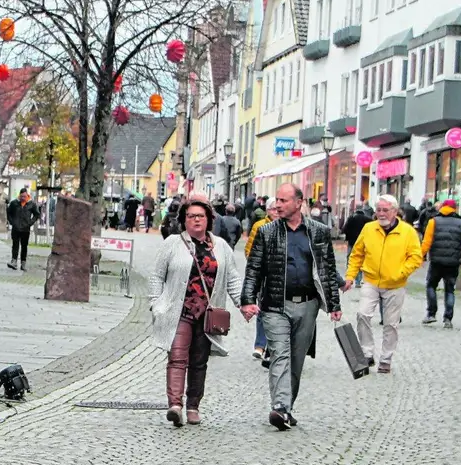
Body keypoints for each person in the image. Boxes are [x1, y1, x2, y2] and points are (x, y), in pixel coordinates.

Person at [239, 184, 345, 431]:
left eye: (284, 200)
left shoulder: (318, 232)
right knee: (280, 355)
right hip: (275, 305)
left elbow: (327, 269)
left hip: (307, 305)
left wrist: (333, 304)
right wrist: (247, 300)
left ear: (299, 203)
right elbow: (253, 268)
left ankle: (286, 407)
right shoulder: (266, 232)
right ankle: (280, 407)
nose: (278, 204)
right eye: (277, 200)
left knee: (296, 360)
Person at [147, 196, 245, 427]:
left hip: (207, 314)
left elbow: (232, 279)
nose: (196, 220)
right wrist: (156, 303)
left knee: (199, 361)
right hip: (178, 310)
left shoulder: (220, 246)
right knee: (177, 356)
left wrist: (244, 304)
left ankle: (193, 406)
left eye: (201, 216)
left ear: (209, 219)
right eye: (191, 216)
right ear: (184, 220)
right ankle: (175, 405)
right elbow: (156, 276)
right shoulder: (172, 243)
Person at [343, 194, 424, 374]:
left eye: (385, 210)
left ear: (394, 211)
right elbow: (357, 254)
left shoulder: (407, 231)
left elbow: (416, 257)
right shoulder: (369, 228)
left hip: (395, 284)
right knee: (363, 314)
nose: (381, 214)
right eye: (378, 210)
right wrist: (350, 277)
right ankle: (367, 353)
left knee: (390, 324)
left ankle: (386, 359)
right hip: (371, 280)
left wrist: (401, 273)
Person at [420, 198, 461, 329]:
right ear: (455, 209)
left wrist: (420, 256)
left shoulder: (434, 222)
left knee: (431, 285)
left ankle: (431, 313)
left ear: (442, 207)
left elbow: (426, 242)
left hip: (436, 261)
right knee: (450, 290)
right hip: (453, 262)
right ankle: (448, 318)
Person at [244, 201, 281, 364]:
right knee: (262, 309)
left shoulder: (287, 226)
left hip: (281, 278)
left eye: (278, 209)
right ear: (268, 211)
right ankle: (260, 346)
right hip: (264, 277)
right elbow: (249, 250)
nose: (276, 212)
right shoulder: (259, 226)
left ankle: (274, 348)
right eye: (273, 209)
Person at [5, 188, 41, 270]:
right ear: (19, 195)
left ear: (27, 195)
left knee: (24, 246)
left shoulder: (31, 204)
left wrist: (30, 223)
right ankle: (14, 261)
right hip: (16, 228)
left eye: (24, 196)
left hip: (25, 229)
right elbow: (8, 212)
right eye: (21, 196)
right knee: (15, 245)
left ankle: (23, 263)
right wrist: (12, 222)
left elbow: (37, 214)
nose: (23, 198)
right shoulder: (14, 203)